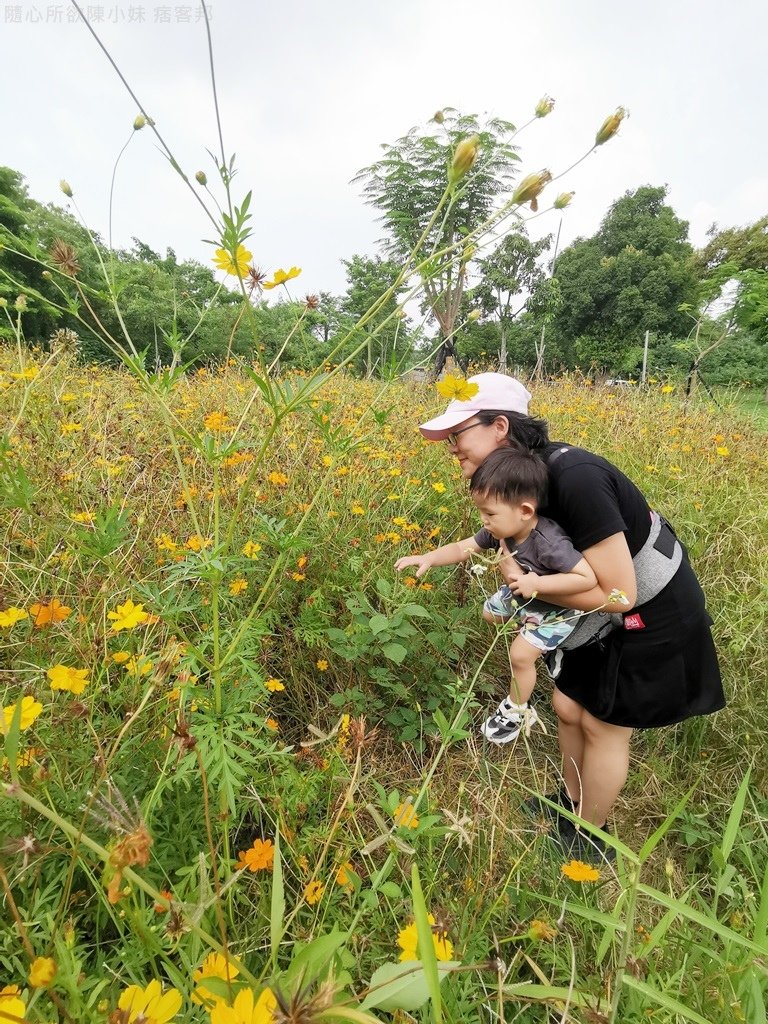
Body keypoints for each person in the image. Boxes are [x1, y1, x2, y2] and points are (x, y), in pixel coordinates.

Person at [405, 372, 724, 859]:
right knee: (568, 708)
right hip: (591, 609)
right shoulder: (518, 482)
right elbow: (491, 544)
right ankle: (572, 803)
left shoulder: (575, 479)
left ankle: (589, 837)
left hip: (652, 610)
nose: (451, 447)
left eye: (458, 433)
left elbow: (618, 594)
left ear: (499, 427)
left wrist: (526, 588)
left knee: (603, 724)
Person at [396, 446, 600, 744]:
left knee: (520, 655)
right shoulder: (501, 528)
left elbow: (587, 578)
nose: (484, 520)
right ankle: (540, 645)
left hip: (555, 608)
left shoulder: (549, 542)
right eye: (481, 512)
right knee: (489, 613)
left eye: (489, 512)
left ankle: (517, 709)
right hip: (523, 595)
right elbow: (463, 547)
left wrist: (538, 585)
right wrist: (429, 556)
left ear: (526, 511)